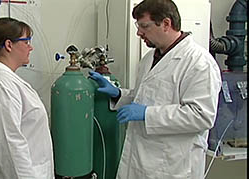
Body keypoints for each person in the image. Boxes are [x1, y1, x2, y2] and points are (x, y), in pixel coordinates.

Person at [89, 0, 222, 178]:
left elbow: (201, 116)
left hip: (172, 165)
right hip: (141, 158)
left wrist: (147, 114)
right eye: (138, 26)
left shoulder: (199, 63)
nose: (139, 32)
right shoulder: (150, 58)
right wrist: (119, 94)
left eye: (144, 26)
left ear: (166, 24)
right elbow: (145, 98)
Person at [0, 17, 54, 179]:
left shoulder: (2, 79)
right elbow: (9, 146)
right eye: (26, 41)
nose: (31, 47)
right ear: (8, 45)